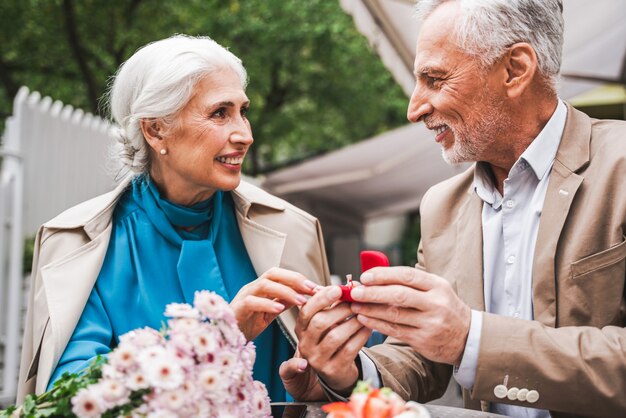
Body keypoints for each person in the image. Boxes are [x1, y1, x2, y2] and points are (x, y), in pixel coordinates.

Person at [280, 0, 626, 417]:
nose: (414, 108)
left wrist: (470, 337)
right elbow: (423, 356)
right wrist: (349, 372)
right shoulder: (440, 205)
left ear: (515, 69)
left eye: (435, 79)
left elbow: (458, 340)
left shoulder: (619, 166)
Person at [16, 34, 330, 403]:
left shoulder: (293, 229)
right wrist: (220, 337)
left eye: (243, 111)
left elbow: (328, 385)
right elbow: (72, 399)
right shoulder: (81, 244)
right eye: (219, 113)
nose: (245, 134)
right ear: (155, 129)